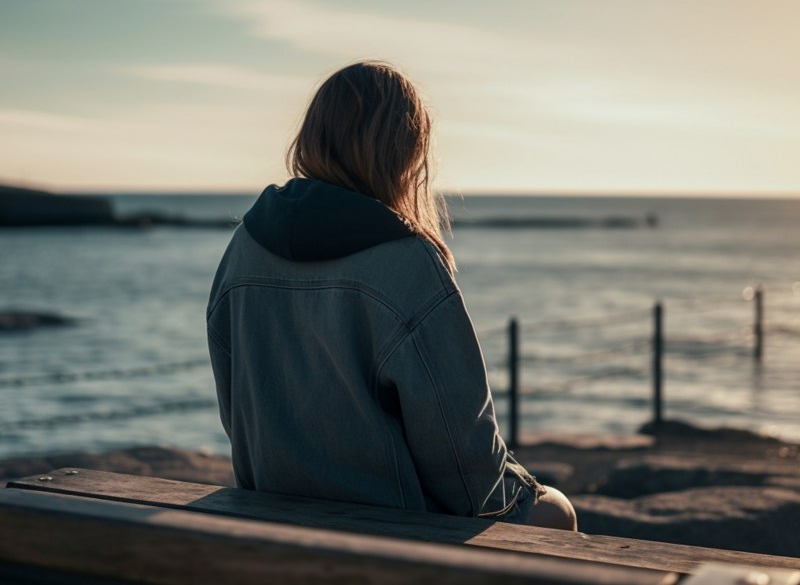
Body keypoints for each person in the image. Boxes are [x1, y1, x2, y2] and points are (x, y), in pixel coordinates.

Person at [206, 61, 576, 530]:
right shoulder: (406, 260)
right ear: (403, 153)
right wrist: (529, 491)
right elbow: (468, 472)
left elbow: (233, 409)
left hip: (270, 513)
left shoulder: (245, 246)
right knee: (559, 514)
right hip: (390, 533)